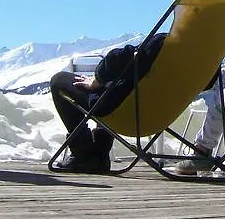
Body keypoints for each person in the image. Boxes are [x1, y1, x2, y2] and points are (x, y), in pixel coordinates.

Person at [51, 32, 166, 173]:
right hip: (161, 116)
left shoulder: (164, 42)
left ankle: (83, 155)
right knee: (112, 88)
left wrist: (97, 81)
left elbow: (121, 58)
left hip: (122, 111)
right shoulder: (197, 58)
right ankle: (100, 155)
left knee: (59, 80)